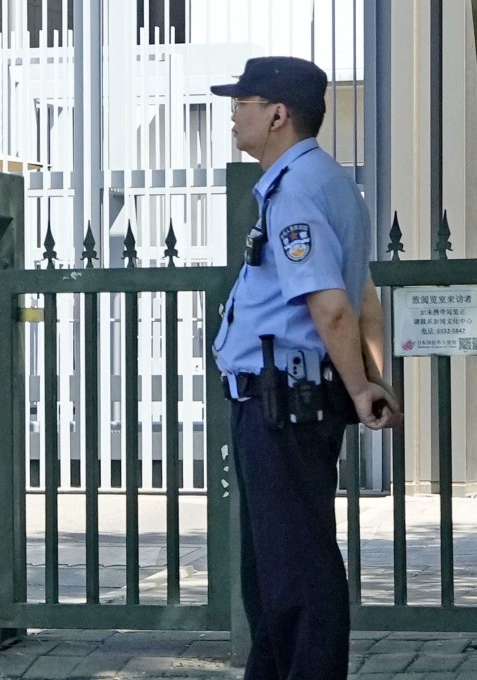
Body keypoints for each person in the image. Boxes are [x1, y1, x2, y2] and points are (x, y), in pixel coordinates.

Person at [210, 57, 402, 679]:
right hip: (289, 401)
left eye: (243, 101)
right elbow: (364, 291)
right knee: (274, 572)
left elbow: (334, 307)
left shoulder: (294, 190)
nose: (233, 112)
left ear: (277, 115)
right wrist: (370, 378)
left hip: (284, 404)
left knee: (294, 574)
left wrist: (361, 388)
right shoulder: (328, 182)